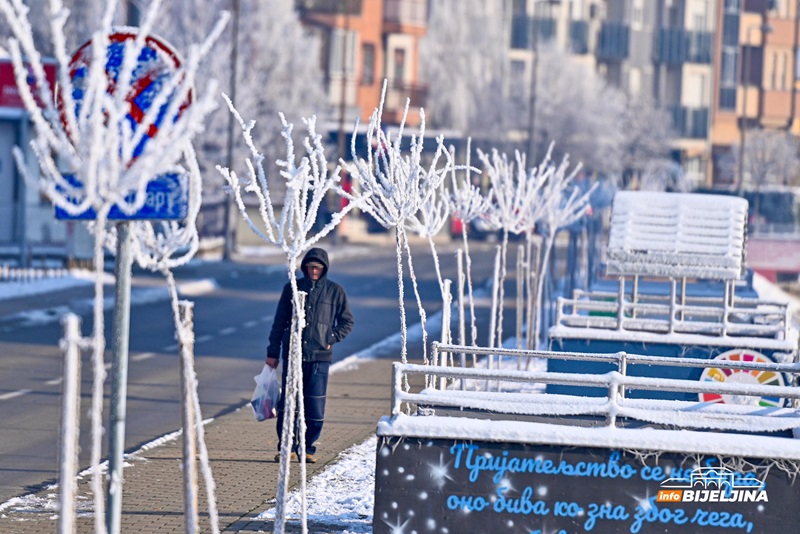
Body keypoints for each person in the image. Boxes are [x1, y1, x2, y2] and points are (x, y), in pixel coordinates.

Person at [265, 247, 354, 463]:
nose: (314, 271)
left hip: (319, 359)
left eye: (318, 268)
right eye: (311, 267)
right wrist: (272, 352)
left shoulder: (335, 291)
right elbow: (279, 322)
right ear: (305, 267)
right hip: (293, 355)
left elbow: (347, 322)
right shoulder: (292, 289)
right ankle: (287, 447)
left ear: (324, 269)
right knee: (288, 404)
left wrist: (329, 338)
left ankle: (308, 448)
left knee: (314, 405)